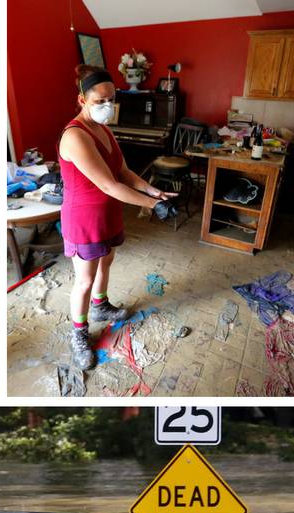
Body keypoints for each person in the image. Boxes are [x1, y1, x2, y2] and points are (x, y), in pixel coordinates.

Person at [58, 64, 178, 370]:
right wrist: (152, 207)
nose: (107, 106)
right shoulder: (75, 135)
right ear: (82, 99)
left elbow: (123, 172)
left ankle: (101, 307)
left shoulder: (105, 129)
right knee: (84, 279)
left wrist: (154, 193)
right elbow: (109, 184)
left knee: (106, 261)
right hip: (84, 218)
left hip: (108, 210)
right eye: (100, 101)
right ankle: (79, 334)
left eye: (111, 99)